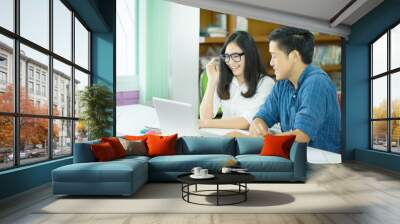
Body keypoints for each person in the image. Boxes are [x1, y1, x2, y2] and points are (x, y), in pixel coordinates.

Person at [249, 27, 341, 152]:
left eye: (274, 56)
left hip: (320, 165)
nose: (271, 62)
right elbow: (263, 116)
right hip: (294, 158)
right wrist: (258, 125)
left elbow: (301, 136)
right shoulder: (282, 84)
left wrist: (265, 139)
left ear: (294, 56)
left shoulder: (316, 83)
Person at [199, 31, 275, 130]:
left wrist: (205, 123)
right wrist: (212, 81)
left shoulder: (266, 83)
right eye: (227, 56)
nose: (230, 62)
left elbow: (247, 122)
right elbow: (205, 117)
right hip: (224, 139)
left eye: (235, 56)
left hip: (247, 142)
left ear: (249, 55)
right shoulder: (225, 80)